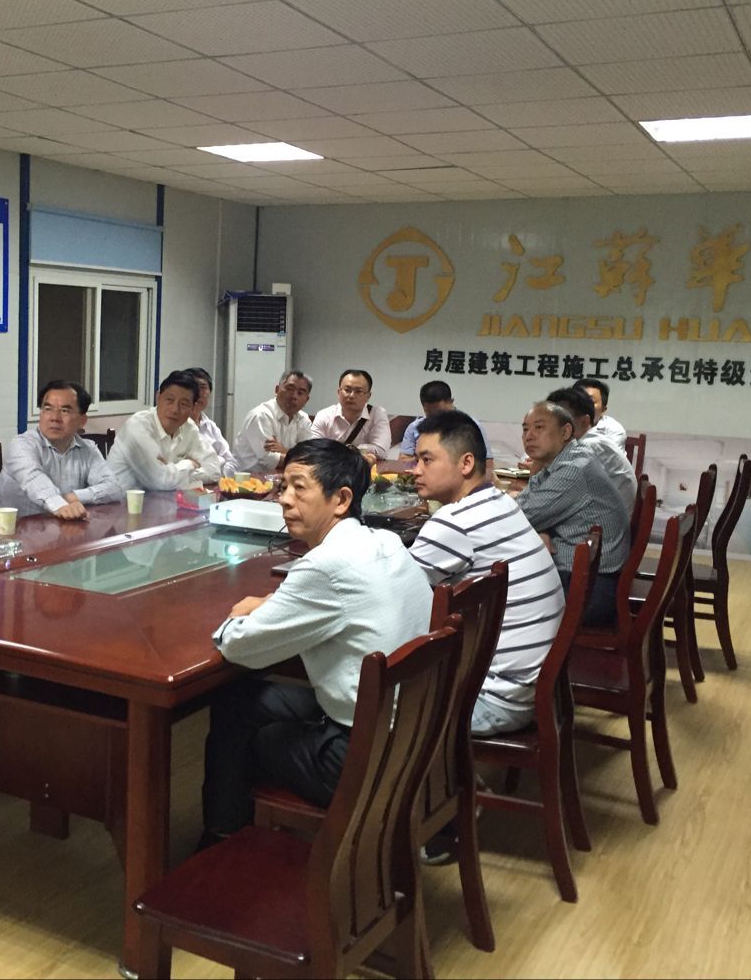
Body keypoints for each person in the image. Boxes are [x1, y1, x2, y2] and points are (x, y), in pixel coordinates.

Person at [199, 439, 432, 848]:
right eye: (283, 486)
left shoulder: (325, 566)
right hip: (411, 729)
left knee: (252, 736)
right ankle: (228, 831)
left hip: (365, 756)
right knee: (239, 701)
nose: (284, 500)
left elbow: (237, 646)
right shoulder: (385, 541)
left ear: (341, 499)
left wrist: (240, 615)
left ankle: (227, 842)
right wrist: (279, 604)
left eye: (299, 487)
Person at [407, 409, 566, 864]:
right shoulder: (498, 503)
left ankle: (439, 816)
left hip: (500, 698)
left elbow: (393, 593)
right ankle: (455, 785)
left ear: (465, 464)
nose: (414, 470)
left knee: (379, 703)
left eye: (426, 459)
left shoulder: (453, 523)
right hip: (537, 686)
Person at [514, 402, 629, 627]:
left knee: (492, 594)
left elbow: (517, 518)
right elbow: (528, 505)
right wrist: (541, 528)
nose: (529, 436)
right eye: (525, 429)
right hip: (584, 577)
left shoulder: (574, 468)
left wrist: (537, 524)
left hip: (590, 590)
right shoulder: (564, 459)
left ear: (566, 432)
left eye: (539, 428)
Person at [0, 380, 121, 520]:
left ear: (82, 420)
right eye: (48, 409)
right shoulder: (21, 445)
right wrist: (60, 505)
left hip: (65, 527)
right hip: (17, 530)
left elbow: (114, 488)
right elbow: (35, 481)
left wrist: (73, 497)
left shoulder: (88, 449)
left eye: (64, 411)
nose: (54, 418)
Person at [108, 370, 223, 490]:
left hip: (163, 499)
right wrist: (189, 464)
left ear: (193, 408)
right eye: (169, 400)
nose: (175, 410)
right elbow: (160, 481)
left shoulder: (189, 427)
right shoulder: (138, 426)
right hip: (118, 500)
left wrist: (171, 471)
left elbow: (214, 471)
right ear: (158, 398)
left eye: (184, 404)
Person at [545, 386, 636, 512]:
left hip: (600, 520)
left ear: (585, 421)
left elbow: (554, 492)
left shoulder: (590, 445)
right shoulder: (586, 441)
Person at [398, 380, 495, 474]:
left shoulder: (471, 425)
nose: (437, 419)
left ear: (451, 402)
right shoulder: (415, 428)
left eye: (440, 413)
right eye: (430, 414)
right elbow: (403, 462)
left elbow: (488, 464)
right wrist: (424, 458)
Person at [232, 369, 314, 473]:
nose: (294, 396)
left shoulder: (303, 419)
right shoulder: (261, 416)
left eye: (300, 393)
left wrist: (285, 450)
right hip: (247, 478)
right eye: (289, 389)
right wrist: (298, 456)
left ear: (306, 400)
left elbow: (312, 456)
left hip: (281, 477)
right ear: (277, 389)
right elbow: (269, 460)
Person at [309, 369, 391, 463]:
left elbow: (381, 451)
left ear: (368, 396)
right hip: (330, 468)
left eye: (359, 391)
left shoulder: (377, 414)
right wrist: (359, 451)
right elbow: (313, 448)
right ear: (339, 392)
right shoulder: (324, 415)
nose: (351, 395)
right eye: (347, 390)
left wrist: (348, 449)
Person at [185, 367, 238, 475]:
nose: (198, 393)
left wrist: (212, 468)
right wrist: (218, 462)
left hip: (215, 484)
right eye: (192, 387)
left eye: (202, 387)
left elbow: (231, 463)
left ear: (210, 392)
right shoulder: (175, 426)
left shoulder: (210, 427)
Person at [576, 377, 627, 451]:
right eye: (577, 400)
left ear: (603, 409)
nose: (582, 405)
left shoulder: (613, 430)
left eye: (590, 401)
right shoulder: (562, 423)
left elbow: (605, 458)